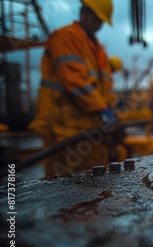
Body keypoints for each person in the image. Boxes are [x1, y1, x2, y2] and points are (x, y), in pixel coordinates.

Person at [29, 0, 117, 176]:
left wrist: (111, 109)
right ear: (84, 13)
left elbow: (104, 86)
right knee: (69, 192)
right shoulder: (66, 37)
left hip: (89, 129)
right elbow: (75, 80)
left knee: (95, 187)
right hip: (65, 130)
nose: (99, 25)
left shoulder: (95, 47)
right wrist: (103, 109)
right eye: (97, 19)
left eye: (101, 21)